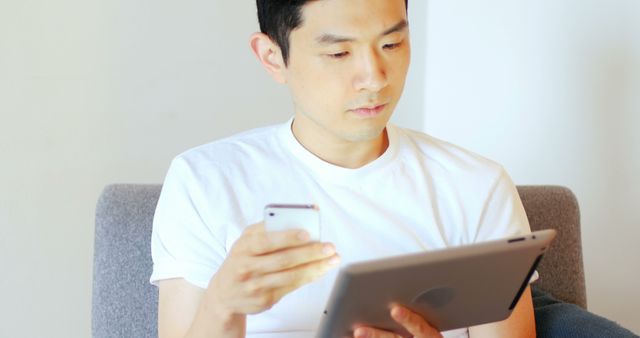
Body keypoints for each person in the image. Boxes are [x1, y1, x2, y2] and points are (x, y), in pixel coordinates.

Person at [150, 0, 536, 337]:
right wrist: (222, 302)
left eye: (392, 44)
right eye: (339, 54)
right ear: (272, 56)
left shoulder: (476, 187)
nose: (375, 77)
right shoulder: (204, 181)